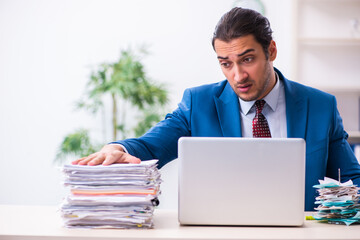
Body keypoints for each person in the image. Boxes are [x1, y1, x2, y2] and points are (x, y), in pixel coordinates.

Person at [72, 7, 360, 211]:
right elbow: (149, 147)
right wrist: (117, 147)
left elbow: (352, 181)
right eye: (226, 63)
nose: (238, 75)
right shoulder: (199, 104)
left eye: (247, 59)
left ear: (271, 50)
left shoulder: (321, 106)